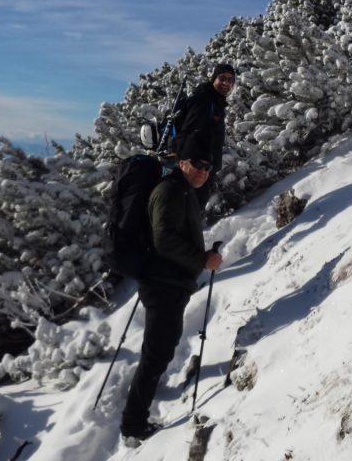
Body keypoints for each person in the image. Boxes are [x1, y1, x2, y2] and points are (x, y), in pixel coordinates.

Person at [120, 136, 223, 442]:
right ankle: (133, 425)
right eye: (198, 164)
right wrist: (203, 260)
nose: (204, 170)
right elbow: (164, 240)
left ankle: (138, 413)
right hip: (162, 284)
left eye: (208, 166)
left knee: (161, 349)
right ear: (182, 162)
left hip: (170, 282)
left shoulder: (182, 189)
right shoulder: (169, 191)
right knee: (155, 354)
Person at [173, 62, 236, 210]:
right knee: (188, 213)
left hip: (203, 169)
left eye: (230, 79)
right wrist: (188, 165)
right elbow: (187, 132)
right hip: (194, 170)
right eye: (222, 78)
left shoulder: (216, 102)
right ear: (214, 78)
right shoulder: (204, 100)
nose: (226, 82)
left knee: (192, 214)